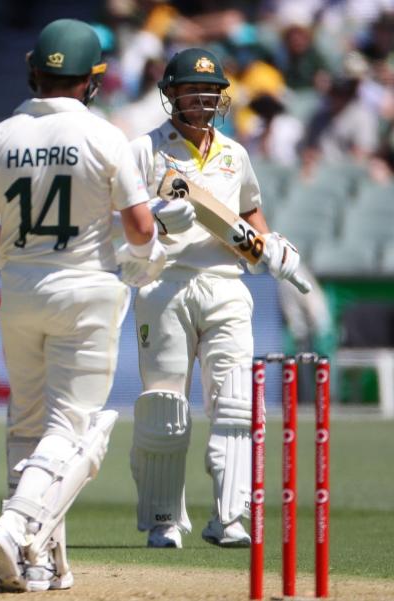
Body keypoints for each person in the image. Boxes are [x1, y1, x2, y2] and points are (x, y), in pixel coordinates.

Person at [0, 19, 166, 592]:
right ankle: (13, 526)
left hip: (20, 291)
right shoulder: (106, 137)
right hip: (87, 290)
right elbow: (139, 226)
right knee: (77, 430)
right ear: (91, 80)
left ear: (35, 71)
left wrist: (11, 247)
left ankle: (39, 560)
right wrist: (148, 257)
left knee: (28, 425)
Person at [127, 48, 302, 549]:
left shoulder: (234, 153)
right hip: (164, 281)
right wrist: (159, 219)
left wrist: (272, 248)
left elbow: (250, 214)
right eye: (191, 91)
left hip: (227, 284)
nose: (203, 99)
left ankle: (227, 518)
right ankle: (163, 518)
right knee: (165, 405)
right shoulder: (144, 150)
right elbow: (122, 219)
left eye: (210, 92)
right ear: (171, 95)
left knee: (235, 405)